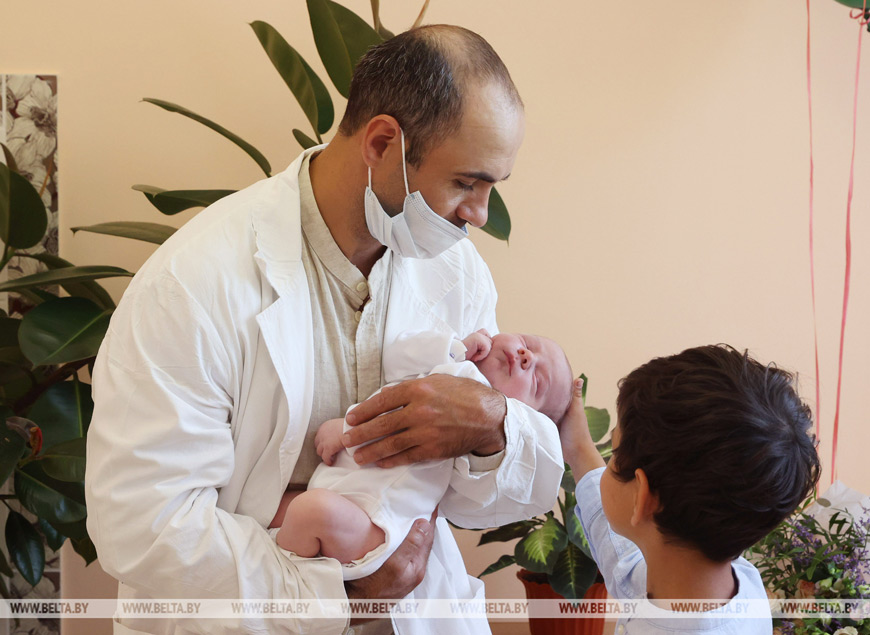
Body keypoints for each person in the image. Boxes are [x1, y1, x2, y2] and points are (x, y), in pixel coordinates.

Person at [85, 24, 564, 635]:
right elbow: (145, 528)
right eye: (466, 183)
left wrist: (492, 426)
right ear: (383, 143)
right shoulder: (192, 283)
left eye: (491, 187)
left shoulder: (455, 270)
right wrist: (342, 596)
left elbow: (473, 501)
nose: (479, 213)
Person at [560, 345, 821, 634]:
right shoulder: (740, 582)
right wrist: (578, 447)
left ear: (642, 496)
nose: (610, 459)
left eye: (615, 452)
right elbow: (625, 564)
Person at [272, 328, 573, 573]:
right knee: (272, 508)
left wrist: (347, 431)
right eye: (526, 342)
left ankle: (289, 584)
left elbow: (406, 427)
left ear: (523, 419)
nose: (526, 356)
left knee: (308, 511)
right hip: (345, 495)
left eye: (537, 382)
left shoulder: (473, 425)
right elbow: (394, 358)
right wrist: (454, 347)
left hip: (374, 521)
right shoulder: (454, 366)